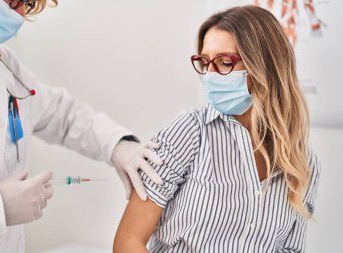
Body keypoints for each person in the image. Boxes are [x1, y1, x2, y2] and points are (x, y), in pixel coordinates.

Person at [114, 5, 321, 253]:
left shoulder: (303, 163)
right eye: (204, 62)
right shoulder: (190, 131)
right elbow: (128, 242)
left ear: (266, 66)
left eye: (224, 62)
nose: (210, 75)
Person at [0, 0, 163, 252]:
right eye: (13, 2)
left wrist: (117, 144)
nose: (20, 15)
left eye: (27, 4)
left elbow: (59, 112)